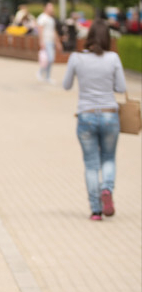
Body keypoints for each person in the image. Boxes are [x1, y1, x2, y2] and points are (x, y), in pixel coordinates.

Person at [62, 19, 127, 221]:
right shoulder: (113, 58)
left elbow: (66, 85)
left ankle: (96, 210)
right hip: (109, 114)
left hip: (86, 115)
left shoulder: (76, 58)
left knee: (91, 164)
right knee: (108, 157)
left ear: (88, 37)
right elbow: (121, 88)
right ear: (107, 38)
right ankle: (107, 188)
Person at [36, 2, 61, 83]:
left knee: (50, 59)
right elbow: (40, 30)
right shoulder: (42, 17)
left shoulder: (51, 19)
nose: (52, 9)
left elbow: (54, 31)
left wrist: (57, 42)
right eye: (50, 7)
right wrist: (41, 41)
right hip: (46, 41)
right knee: (49, 58)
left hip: (51, 41)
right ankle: (42, 72)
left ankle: (47, 76)